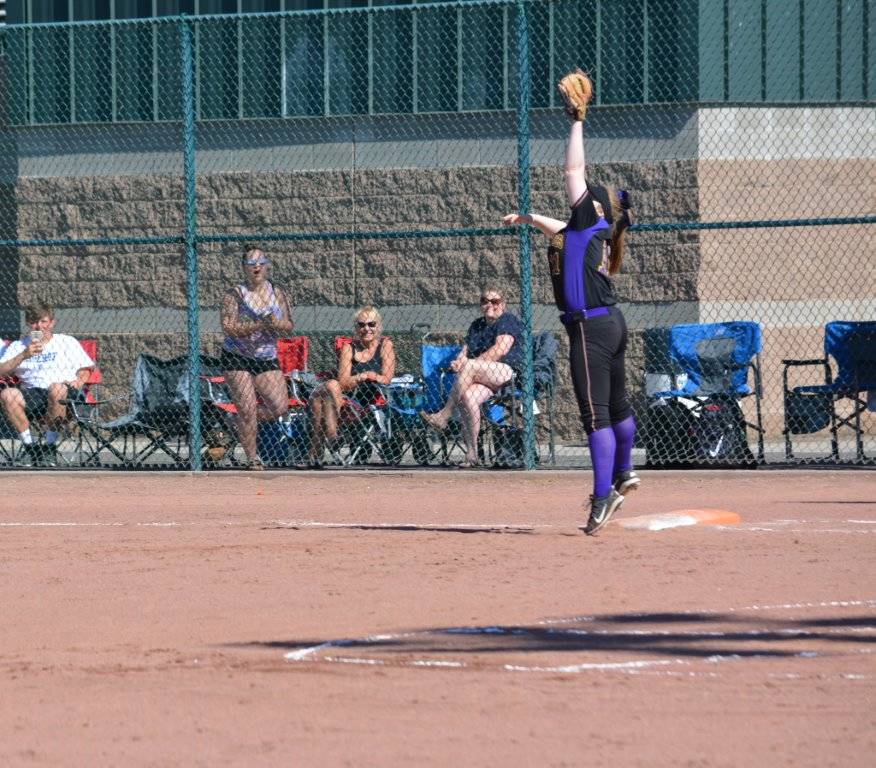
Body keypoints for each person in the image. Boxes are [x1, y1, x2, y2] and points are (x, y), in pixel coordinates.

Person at [502, 69, 639, 534]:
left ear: (596, 209)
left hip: (589, 329)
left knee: (594, 415)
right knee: (617, 407)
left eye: (593, 198)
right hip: (612, 323)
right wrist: (528, 218)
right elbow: (559, 229)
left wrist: (577, 120)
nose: (587, 194)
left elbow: (572, 171)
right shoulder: (594, 231)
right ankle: (624, 472)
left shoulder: (587, 221)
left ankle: (602, 498)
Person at [419, 287, 522, 468]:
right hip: (483, 375)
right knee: (467, 397)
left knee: (469, 366)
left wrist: (469, 365)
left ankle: (444, 414)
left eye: (495, 301)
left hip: (507, 373)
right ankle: (472, 454)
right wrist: (459, 362)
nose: (489, 305)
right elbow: (465, 352)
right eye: (485, 301)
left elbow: (500, 349)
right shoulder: (477, 325)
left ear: (503, 304)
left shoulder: (508, 320)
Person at [220, 244, 294, 470]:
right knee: (247, 408)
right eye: (251, 263)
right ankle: (253, 458)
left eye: (261, 263)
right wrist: (256, 325)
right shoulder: (235, 294)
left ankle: (238, 421)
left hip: (265, 357)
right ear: (244, 267)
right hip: (237, 357)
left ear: (267, 266)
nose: (257, 267)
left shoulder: (277, 293)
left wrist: (275, 324)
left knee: (279, 407)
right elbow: (228, 327)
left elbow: (288, 325)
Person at [0, 301, 95, 466]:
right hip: (32, 395)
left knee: (56, 388)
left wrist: (78, 381)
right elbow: (1, 370)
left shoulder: (66, 341)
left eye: (43, 321)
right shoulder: (18, 346)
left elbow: (86, 368)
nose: (39, 326)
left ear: (51, 323)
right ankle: (30, 447)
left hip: (65, 393)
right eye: (34, 322)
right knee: (7, 394)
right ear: (27, 323)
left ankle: (49, 447)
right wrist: (23, 355)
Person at [305, 306, 396, 468]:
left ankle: (321, 448)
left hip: (368, 402)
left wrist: (365, 377)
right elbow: (343, 382)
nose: (366, 328)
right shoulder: (348, 347)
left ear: (379, 326)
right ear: (356, 328)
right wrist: (363, 376)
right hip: (346, 399)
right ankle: (332, 437)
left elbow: (386, 378)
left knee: (320, 401)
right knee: (332, 385)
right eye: (361, 325)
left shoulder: (385, 345)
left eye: (371, 324)